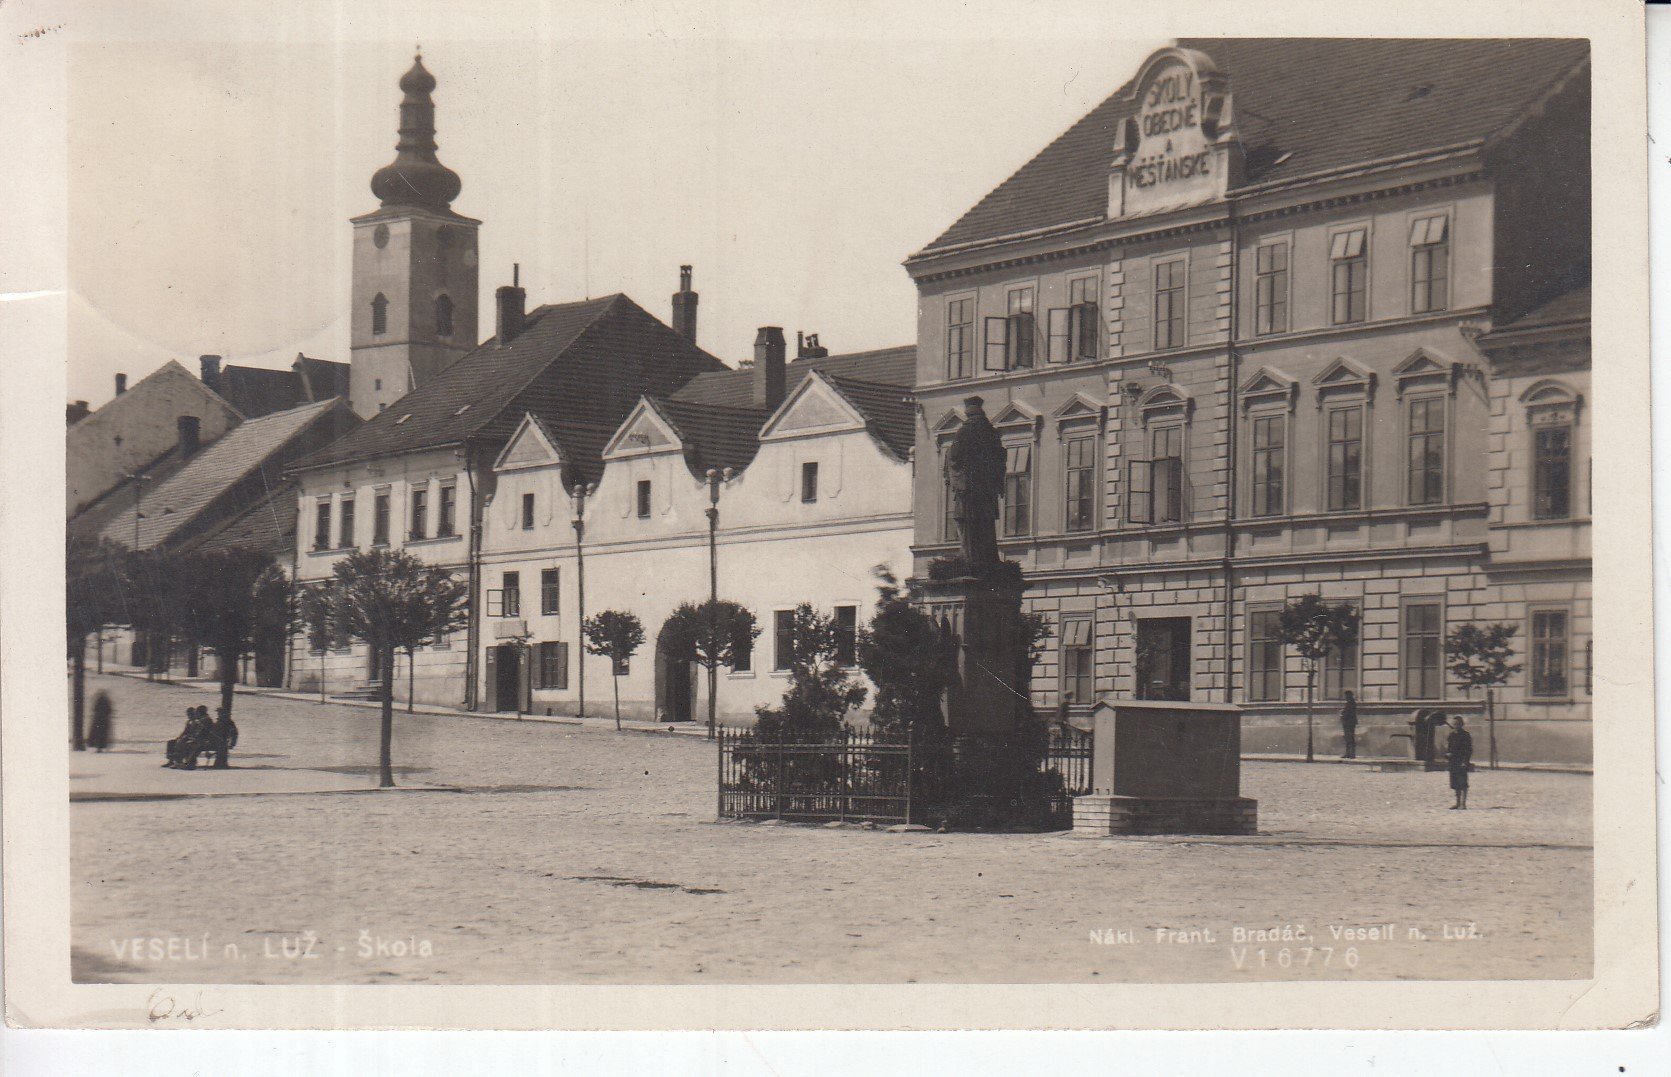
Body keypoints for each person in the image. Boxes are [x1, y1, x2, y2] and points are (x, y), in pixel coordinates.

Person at [1445, 714, 1474, 810]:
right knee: (1455, 783)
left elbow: (1469, 750)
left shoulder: (1465, 735)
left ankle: (1463, 804)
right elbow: (1448, 748)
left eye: (1457, 723)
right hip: (1453, 761)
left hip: (1461, 761)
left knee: (1463, 783)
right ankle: (1457, 803)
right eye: (1453, 723)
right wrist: (1447, 754)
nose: (1455, 725)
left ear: (1461, 724)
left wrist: (1466, 761)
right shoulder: (1451, 735)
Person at [1340, 690, 1358, 760]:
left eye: (1346, 696)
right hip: (1349, 722)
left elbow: (1348, 713)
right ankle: (1348, 753)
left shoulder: (1351, 703)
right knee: (1347, 738)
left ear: (1349, 696)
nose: (1345, 697)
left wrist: (1342, 714)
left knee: (1350, 738)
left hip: (1349, 723)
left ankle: (1352, 754)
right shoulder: (1350, 702)